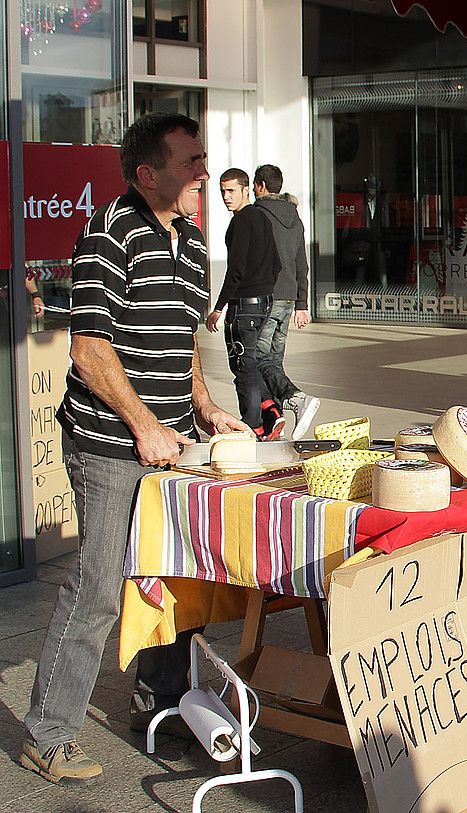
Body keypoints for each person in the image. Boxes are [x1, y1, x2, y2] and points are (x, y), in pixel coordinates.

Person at [21, 112, 251, 787]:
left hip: (169, 439)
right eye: (190, 162)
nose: (203, 173)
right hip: (109, 444)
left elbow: (182, 341)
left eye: (204, 159)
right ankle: (49, 733)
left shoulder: (191, 240)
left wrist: (203, 405)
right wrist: (145, 423)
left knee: (169, 577)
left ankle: (161, 699)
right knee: (96, 588)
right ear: (147, 173)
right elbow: (90, 350)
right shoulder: (108, 233)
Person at [207, 168, 284, 440]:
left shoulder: (241, 222)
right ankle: (270, 413)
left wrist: (218, 307)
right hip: (263, 302)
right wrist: (265, 291)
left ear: (246, 190)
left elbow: (235, 270)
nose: (226, 197)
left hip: (245, 304)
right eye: (222, 191)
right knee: (249, 362)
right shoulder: (262, 219)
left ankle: (253, 424)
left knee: (242, 366)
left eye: (231, 191)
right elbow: (276, 264)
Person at [252, 164, 321, 440]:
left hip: (266, 295)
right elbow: (301, 263)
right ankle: (274, 423)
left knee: (256, 357)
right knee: (274, 361)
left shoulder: (258, 215)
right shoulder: (294, 217)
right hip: (288, 297)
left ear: (261, 185)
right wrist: (302, 303)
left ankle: (296, 398)